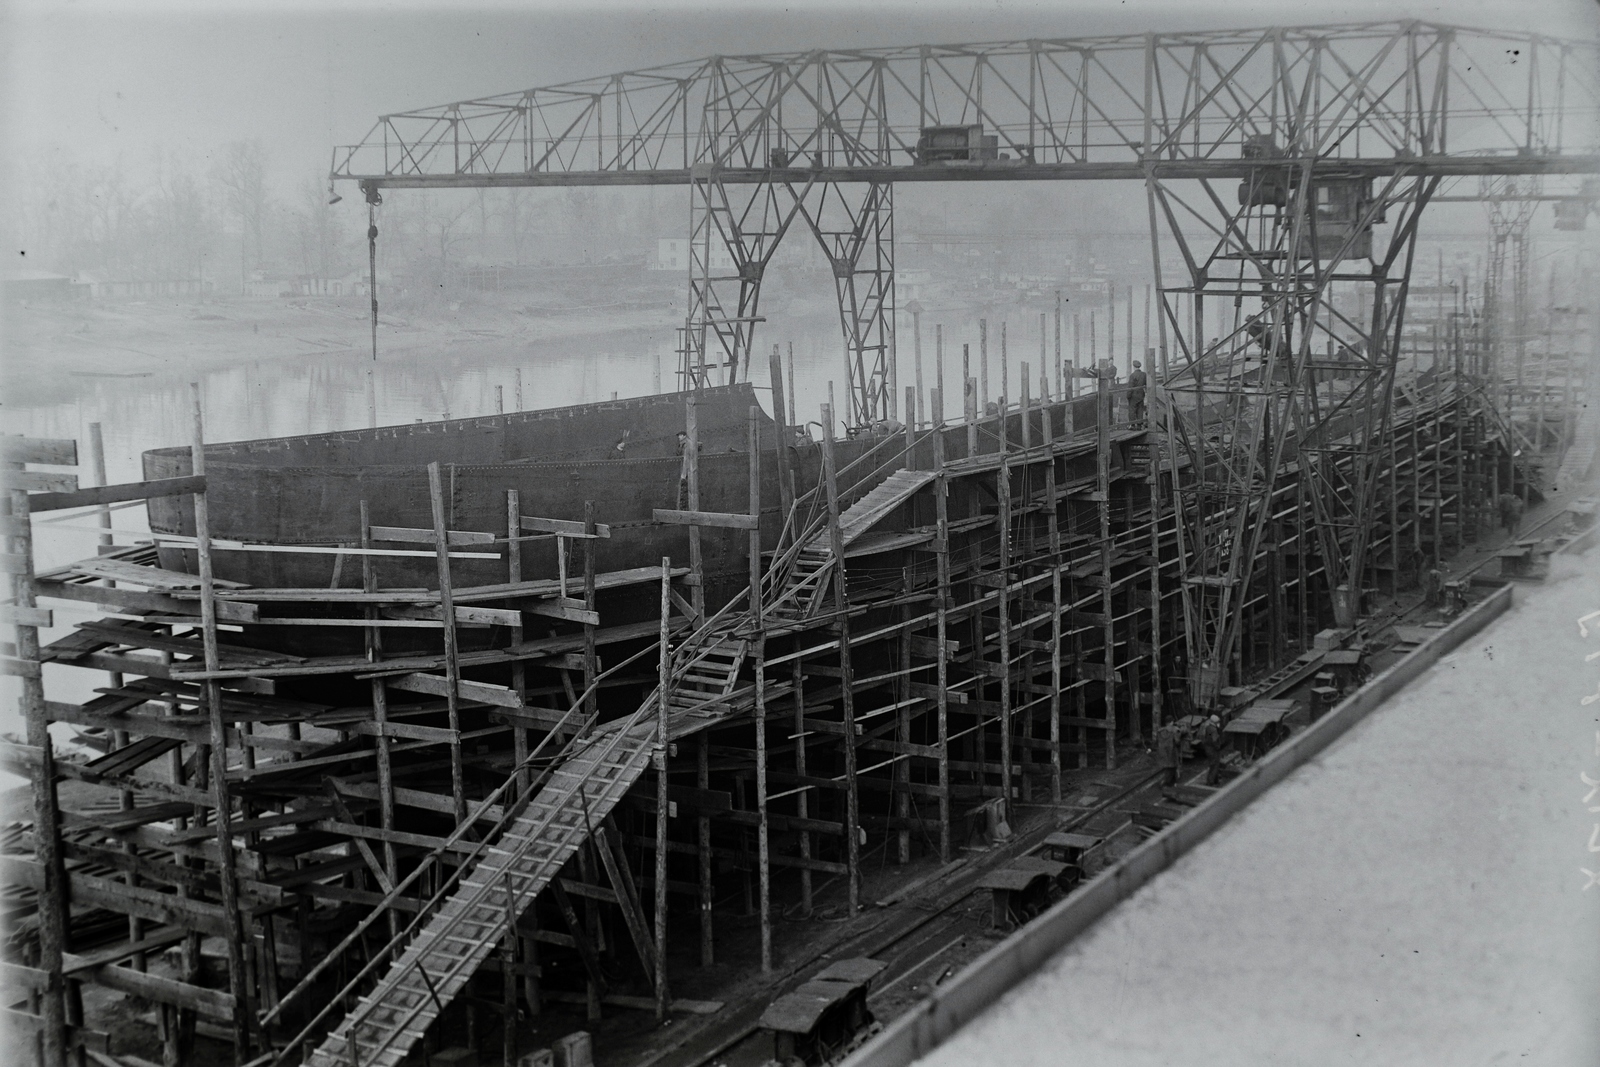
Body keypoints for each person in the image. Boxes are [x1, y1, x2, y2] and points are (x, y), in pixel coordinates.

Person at [1155, 723, 1180, 788]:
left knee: (1168, 767)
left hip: (1163, 751)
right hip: (1172, 751)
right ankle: (1165, 782)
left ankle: (1172, 782)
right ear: (1171, 721)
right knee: (1173, 767)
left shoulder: (1160, 731)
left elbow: (1156, 741)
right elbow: (1177, 742)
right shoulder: (1174, 730)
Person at [1127, 359, 1148, 425]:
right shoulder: (1144, 374)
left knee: (1132, 410)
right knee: (1140, 410)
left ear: (1134, 367)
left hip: (1133, 395)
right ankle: (1139, 426)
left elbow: (1130, 387)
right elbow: (1146, 384)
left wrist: (1128, 396)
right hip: (1141, 395)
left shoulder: (1132, 375)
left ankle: (1132, 425)